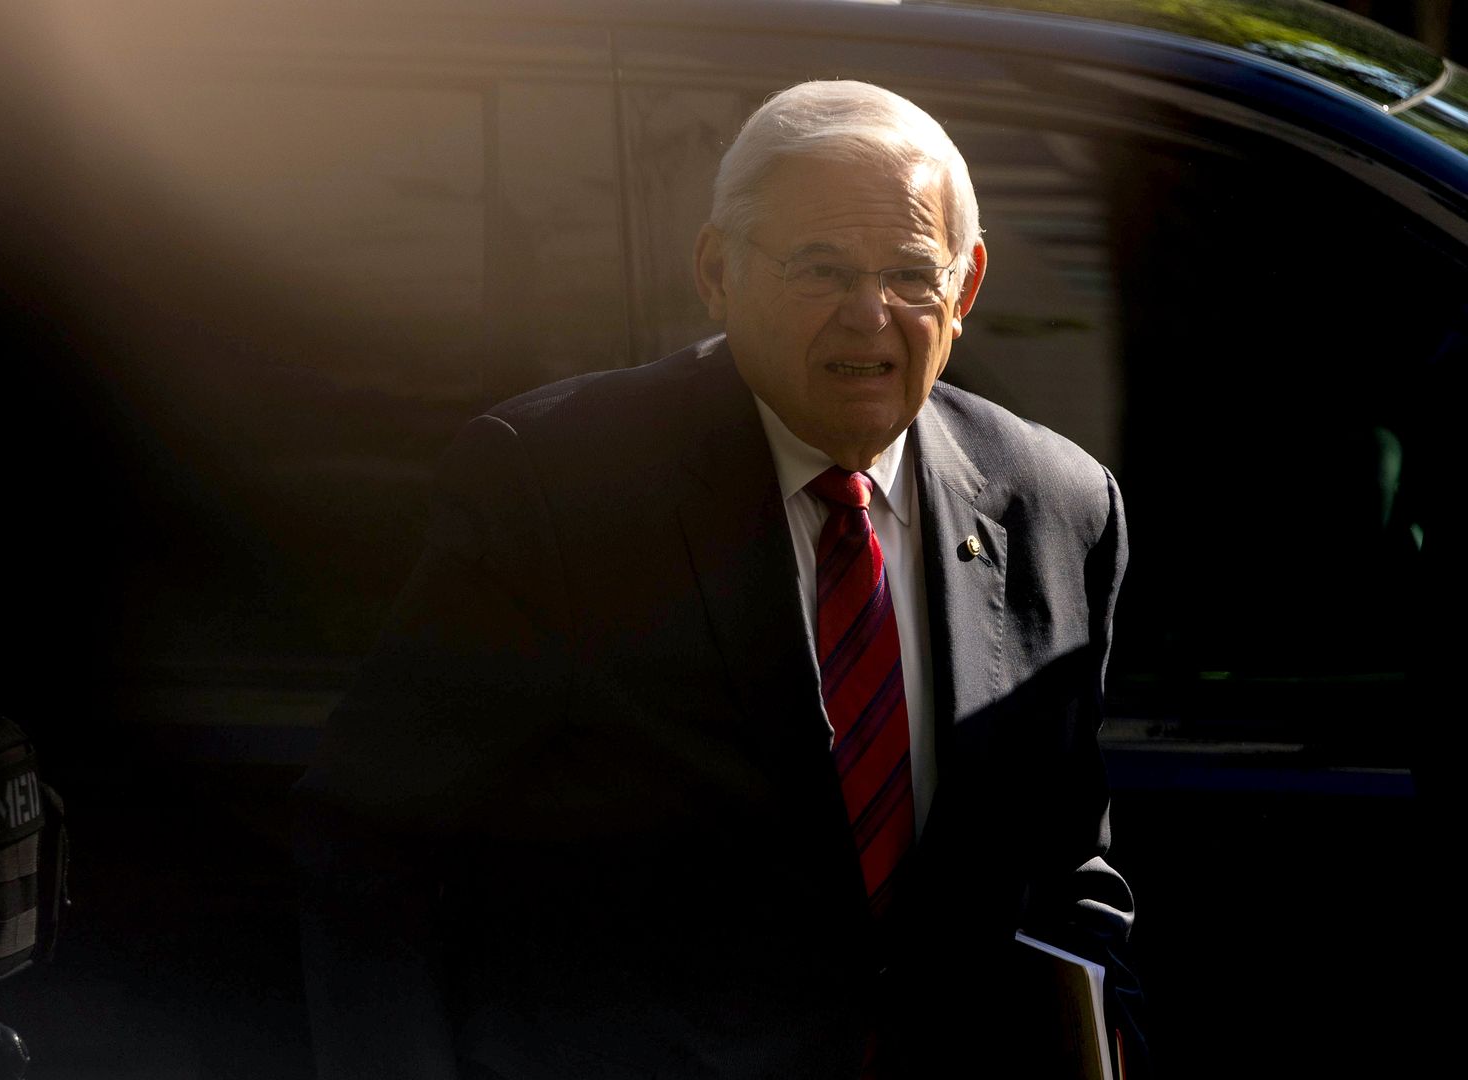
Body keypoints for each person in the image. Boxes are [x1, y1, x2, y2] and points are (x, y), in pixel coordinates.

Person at [295, 80, 1144, 1080]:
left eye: (911, 272)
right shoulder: (556, 487)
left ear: (966, 287)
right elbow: (377, 845)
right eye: (819, 268)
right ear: (717, 271)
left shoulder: (1055, 506)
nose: (869, 315)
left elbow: (1067, 874)